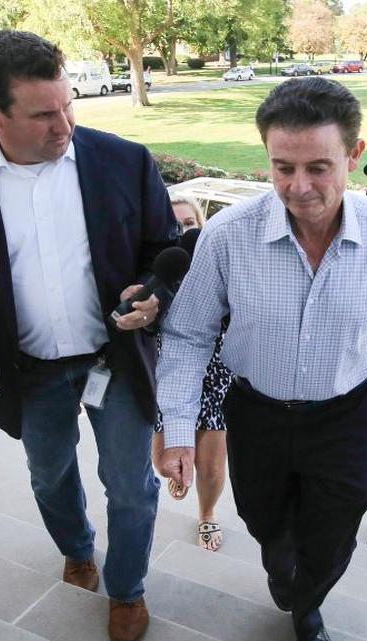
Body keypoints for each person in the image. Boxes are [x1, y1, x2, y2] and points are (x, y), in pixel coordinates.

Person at [0, 30, 176, 641]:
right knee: (50, 476)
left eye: (68, 106)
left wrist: (155, 294)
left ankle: (127, 589)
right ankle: (76, 549)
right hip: (23, 370)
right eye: (43, 115)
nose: (64, 125)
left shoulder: (124, 160)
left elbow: (164, 251)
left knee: (131, 487)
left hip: (116, 361)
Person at [157, 77, 367, 641]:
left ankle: (307, 606)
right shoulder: (227, 236)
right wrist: (179, 431)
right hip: (257, 413)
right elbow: (187, 336)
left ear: (353, 155)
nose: (299, 187)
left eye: (318, 168)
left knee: (333, 535)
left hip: (346, 416)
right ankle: (282, 573)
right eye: (283, 168)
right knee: (265, 523)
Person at [152, 196, 232, 552]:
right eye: (174, 225)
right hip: (169, 373)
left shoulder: (222, 266)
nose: (182, 231)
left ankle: (207, 513)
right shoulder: (157, 271)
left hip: (216, 374)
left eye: (188, 224)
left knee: (211, 467)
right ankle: (181, 469)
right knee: (162, 461)